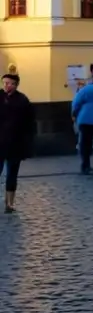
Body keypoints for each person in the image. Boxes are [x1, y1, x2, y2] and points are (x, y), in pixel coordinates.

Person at [0, 67, 35, 213]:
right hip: (0, 142)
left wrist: (27, 143)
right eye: (5, 83)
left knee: (12, 174)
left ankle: (10, 203)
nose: (7, 86)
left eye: (10, 83)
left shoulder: (23, 100)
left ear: (16, 85)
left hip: (15, 143)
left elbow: (30, 123)